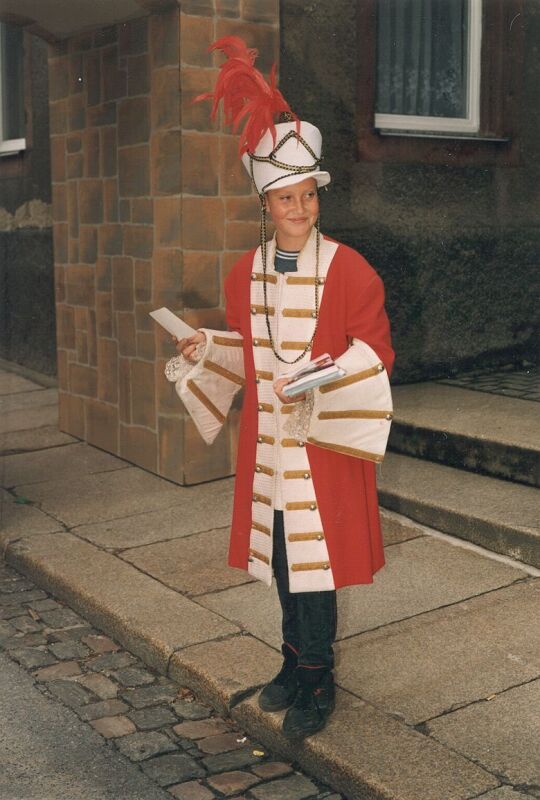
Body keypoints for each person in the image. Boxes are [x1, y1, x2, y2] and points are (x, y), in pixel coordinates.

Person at [165, 37, 394, 740]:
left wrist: (323, 378)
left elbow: (376, 354)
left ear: (317, 195)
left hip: (320, 439)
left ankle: (320, 678)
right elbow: (253, 351)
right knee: (281, 555)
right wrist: (209, 348)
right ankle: (291, 662)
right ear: (266, 202)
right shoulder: (244, 274)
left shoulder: (351, 269)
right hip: (269, 442)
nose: (299, 208)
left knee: (317, 561)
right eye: (284, 198)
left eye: (307, 196)